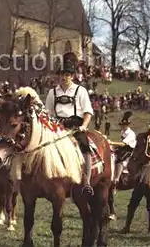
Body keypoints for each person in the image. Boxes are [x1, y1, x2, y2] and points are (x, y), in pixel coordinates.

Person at [45, 52, 94, 196]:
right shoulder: (52, 93)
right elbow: (48, 113)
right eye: (62, 74)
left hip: (75, 125)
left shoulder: (81, 91)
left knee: (85, 145)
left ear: (72, 76)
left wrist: (84, 125)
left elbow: (88, 112)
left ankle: (87, 181)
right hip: (57, 126)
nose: (63, 77)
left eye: (67, 74)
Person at [113, 111, 136, 186]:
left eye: (123, 125)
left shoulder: (131, 134)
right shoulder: (123, 132)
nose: (122, 127)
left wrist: (111, 143)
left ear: (127, 125)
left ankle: (117, 178)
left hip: (129, 150)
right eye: (121, 125)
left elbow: (123, 144)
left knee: (120, 159)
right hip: (124, 148)